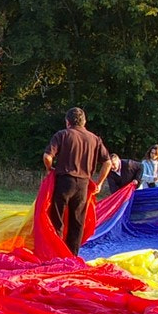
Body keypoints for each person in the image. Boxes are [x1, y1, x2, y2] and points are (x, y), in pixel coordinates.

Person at [43, 106, 112, 255]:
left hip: (64, 181)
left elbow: (47, 156)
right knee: (77, 221)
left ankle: (57, 252)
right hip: (83, 184)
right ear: (84, 122)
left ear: (67, 122)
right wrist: (99, 182)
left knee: (57, 218)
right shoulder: (94, 139)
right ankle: (72, 255)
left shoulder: (62, 135)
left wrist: (50, 169)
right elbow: (107, 162)